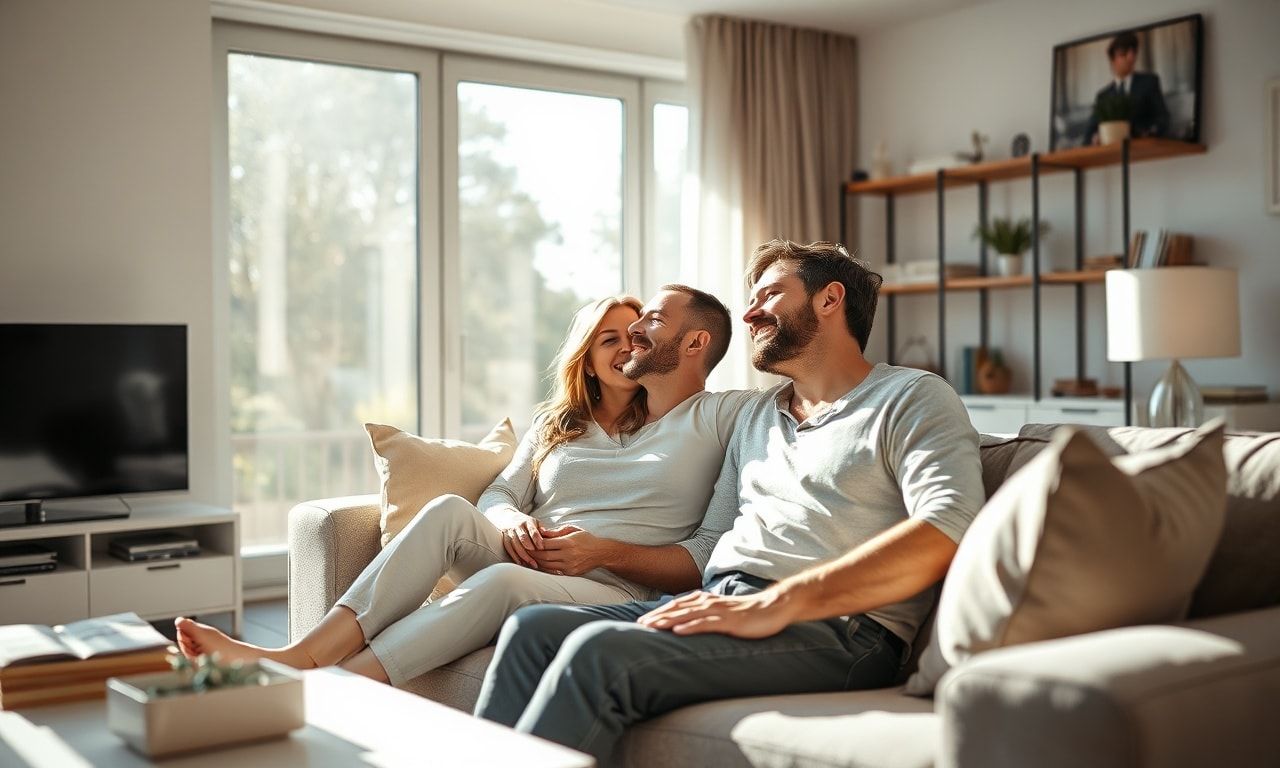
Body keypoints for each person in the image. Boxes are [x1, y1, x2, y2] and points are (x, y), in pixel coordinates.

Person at [474, 240, 985, 765]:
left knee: (597, 655)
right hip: (726, 597)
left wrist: (777, 602)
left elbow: (949, 524)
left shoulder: (912, 396)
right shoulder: (757, 416)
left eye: (770, 294)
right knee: (532, 629)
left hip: (843, 629)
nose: (749, 312)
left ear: (829, 300)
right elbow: (710, 543)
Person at [176, 286, 755, 687]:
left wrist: (597, 551)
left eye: (643, 326)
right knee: (450, 511)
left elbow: (704, 552)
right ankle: (298, 655)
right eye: (616, 336)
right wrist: (513, 524)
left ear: (693, 344)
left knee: (504, 581)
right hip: (529, 556)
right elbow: (498, 495)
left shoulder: (726, 417)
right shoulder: (562, 424)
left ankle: (343, 685)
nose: (631, 338)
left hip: (610, 586)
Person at [1087, 31, 1170, 143]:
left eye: (1133, 52)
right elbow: (1089, 133)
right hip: (1111, 154)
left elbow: (1163, 119)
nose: (1131, 58)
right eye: (1123, 53)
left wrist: (1149, 133)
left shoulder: (1149, 82)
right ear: (1112, 59)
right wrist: (1095, 138)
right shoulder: (1103, 96)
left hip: (1144, 149)